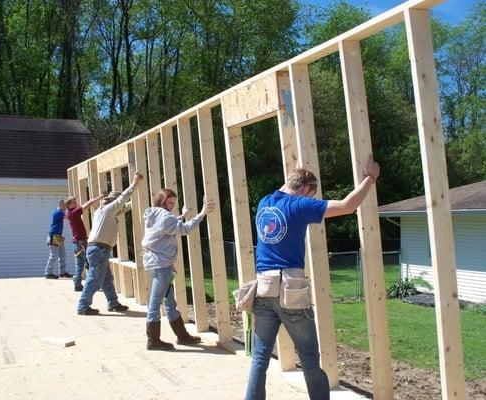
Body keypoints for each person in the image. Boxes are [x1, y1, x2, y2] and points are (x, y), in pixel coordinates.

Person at [246, 157, 380, 400]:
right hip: (290, 289)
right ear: (305, 189)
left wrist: (299, 168)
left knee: (260, 356)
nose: (312, 199)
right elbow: (348, 206)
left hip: (263, 288)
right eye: (312, 194)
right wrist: (370, 178)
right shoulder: (299, 206)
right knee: (308, 356)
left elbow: (290, 189)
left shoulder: (265, 202)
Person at [142, 189, 215, 350]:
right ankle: (153, 340)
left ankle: (182, 337)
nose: (171, 206)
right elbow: (184, 230)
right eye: (169, 203)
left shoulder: (154, 214)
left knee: (170, 303)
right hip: (161, 265)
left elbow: (167, 227)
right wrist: (202, 214)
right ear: (162, 201)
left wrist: (181, 216)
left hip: (158, 262)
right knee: (155, 304)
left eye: (173, 204)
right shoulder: (166, 216)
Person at [76, 171, 143, 315]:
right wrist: (135, 183)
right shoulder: (108, 210)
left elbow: (124, 206)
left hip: (99, 249)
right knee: (94, 278)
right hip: (99, 249)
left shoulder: (102, 211)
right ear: (112, 201)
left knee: (106, 278)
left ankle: (113, 303)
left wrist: (138, 199)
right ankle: (82, 306)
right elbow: (122, 200)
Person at [65, 192, 106, 292]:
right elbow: (88, 204)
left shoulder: (69, 214)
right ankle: (95, 285)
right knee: (91, 263)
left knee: (80, 265)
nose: (76, 203)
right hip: (81, 242)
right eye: (74, 202)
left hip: (76, 243)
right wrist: (100, 197)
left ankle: (77, 285)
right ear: (69, 205)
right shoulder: (74, 213)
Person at [45, 199, 73, 279]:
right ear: (61, 205)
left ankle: (62, 272)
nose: (66, 208)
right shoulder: (58, 212)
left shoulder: (58, 212)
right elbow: (68, 215)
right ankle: (48, 273)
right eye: (65, 206)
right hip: (54, 236)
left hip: (58, 236)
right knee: (53, 256)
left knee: (62, 255)